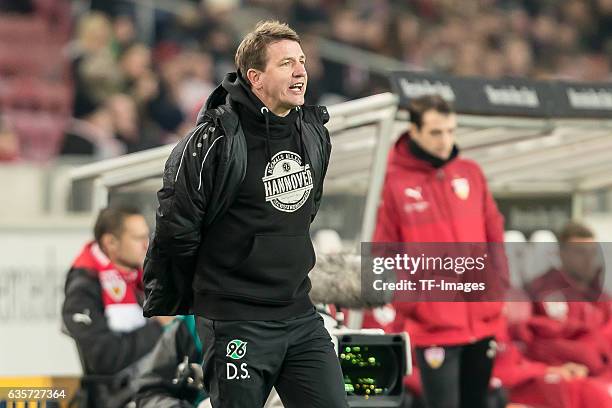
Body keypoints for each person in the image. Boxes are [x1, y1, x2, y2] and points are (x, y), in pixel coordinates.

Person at [143, 21, 347, 408]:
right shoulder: (212, 140)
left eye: (301, 61)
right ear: (255, 77)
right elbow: (176, 228)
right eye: (286, 63)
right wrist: (216, 288)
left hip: (299, 314)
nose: (301, 70)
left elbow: (307, 209)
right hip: (236, 319)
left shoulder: (314, 132)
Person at [372, 94, 508, 408]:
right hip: (434, 328)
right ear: (414, 131)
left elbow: (494, 235)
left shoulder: (471, 173)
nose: (445, 140)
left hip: (482, 322)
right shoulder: (392, 183)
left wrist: (497, 288)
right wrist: (417, 303)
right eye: (436, 132)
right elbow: (382, 256)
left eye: (450, 130)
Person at [62, 206, 172, 406]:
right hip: (115, 399)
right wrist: (157, 327)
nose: (146, 245)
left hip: (154, 391)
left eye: (147, 237)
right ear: (111, 242)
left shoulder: (142, 279)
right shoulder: (84, 288)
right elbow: (103, 358)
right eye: (138, 239)